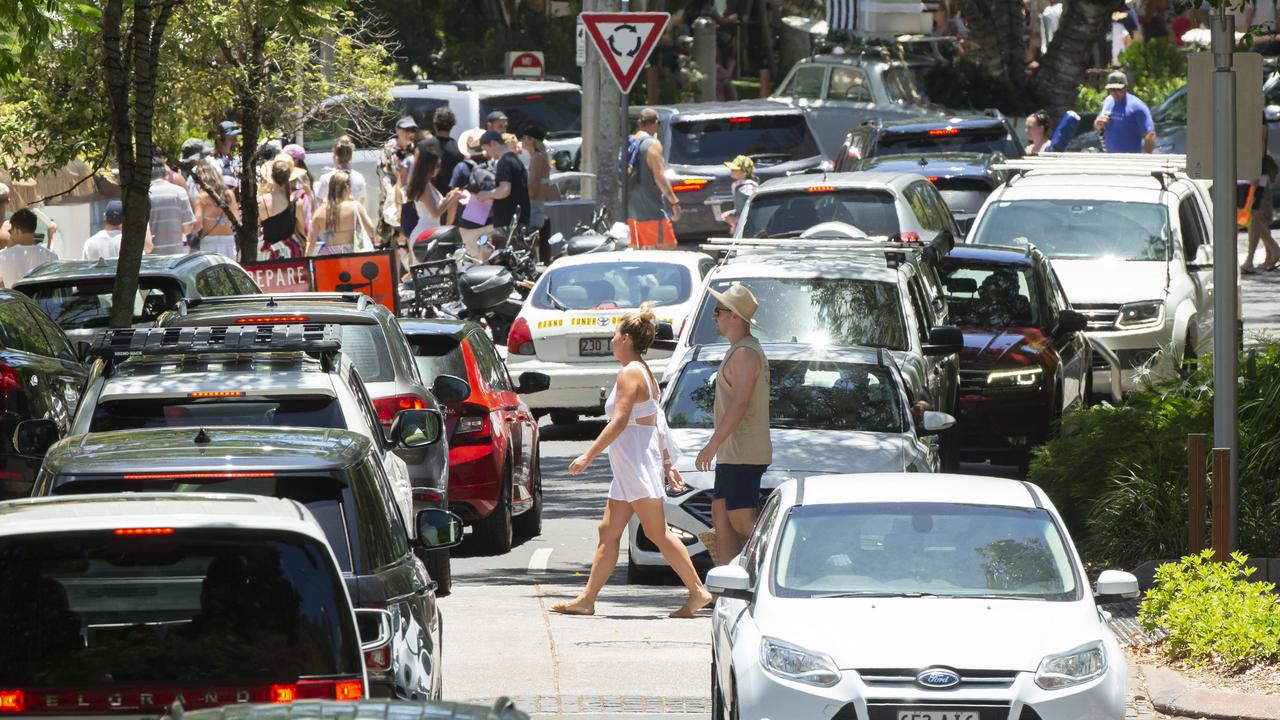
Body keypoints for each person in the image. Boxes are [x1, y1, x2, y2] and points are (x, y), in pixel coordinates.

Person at [556, 305, 714, 619]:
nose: (612, 340)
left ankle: (697, 591)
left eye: (615, 335)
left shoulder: (630, 372)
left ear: (626, 338)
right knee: (608, 530)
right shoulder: (641, 370)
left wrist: (589, 455)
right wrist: (667, 462)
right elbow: (658, 423)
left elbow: (619, 421)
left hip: (636, 464)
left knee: (658, 533)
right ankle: (587, 598)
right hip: (632, 464)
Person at [694, 283, 771, 565]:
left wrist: (712, 444)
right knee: (720, 511)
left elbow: (740, 403)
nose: (714, 317)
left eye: (718, 311)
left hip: (743, 452)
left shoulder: (745, 353)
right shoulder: (739, 350)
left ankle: (784, 562)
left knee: (741, 518)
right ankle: (725, 589)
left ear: (735, 317)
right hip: (734, 451)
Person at [627, 109, 681, 248]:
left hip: (633, 209)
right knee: (668, 248)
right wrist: (674, 202)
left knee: (640, 252)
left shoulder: (631, 141)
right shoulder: (653, 144)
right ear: (656, 123)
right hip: (652, 208)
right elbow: (659, 177)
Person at [307, 171, 376, 256]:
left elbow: (311, 243)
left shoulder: (319, 212)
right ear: (347, 188)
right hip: (353, 256)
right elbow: (370, 231)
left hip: (329, 258)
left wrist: (307, 260)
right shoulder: (355, 207)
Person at [407, 142, 461, 248]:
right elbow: (435, 213)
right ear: (428, 166)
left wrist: (450, 197)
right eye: (436, 166)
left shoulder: (427, 184)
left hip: (430, 232)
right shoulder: (425, 186)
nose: (438, 169)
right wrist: (451, 198)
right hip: (424, 234)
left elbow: (436, 208)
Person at [476, 130, 530, 232]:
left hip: (509, 223)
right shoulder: (514, 159)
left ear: (493, 143)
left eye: (486, 149)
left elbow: (504, 190)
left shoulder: (504, 162)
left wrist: (486, 194)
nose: (486, 154)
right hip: (518, 220)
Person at [1094, 71, 1156, 154]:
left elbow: (1150, 134)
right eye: (1112, 89)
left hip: (1131, 160)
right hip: (1110, 158)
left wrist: (1146, 160)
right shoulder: (1107, 102)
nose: (1115, 93)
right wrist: (1097, 124)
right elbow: (1098, 129)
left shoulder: (1137, 106)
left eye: (1118, 89)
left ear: (1126, 87)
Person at [259, 157, 307, 259]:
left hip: (269, 255)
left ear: (271, 177)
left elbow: (256, 231)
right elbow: (303, 230)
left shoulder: (260, 201)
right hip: (292, 252)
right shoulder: (296, 202)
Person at [192, 160, 240, 259]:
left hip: (209, 242)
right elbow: (236, 219)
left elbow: (198, 223)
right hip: (228, 241)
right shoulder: (229, 194)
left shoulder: (201, 198)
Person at [149, 158, 197, 254]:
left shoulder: (144, 194)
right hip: (176, 256)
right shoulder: (179, 192)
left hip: (151, 258)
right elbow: (188, 227)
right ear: (165, 173)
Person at [0, 209, 58, 288]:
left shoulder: (3, 256)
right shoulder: (51, 256)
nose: (10, 235)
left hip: (15, 300)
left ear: (18, 230)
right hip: (40, 300)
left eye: (11, 231)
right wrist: (51, 236)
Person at [520, 124, 552, 253]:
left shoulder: (537, 159)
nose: (521, 140)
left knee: (529, 247)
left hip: (534, 209)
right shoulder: (538, 158)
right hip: (537, 207)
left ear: (531, 140)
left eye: (524, 137)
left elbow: (533, 191)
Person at [315, 136, 367, 205]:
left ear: (335, 157)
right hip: (352, 215)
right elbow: (362, 201)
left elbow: (320, 200)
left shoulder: (326, 178)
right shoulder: (359, 177)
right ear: (350, 157)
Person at [719, 155, 757, 233]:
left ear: (744, 172)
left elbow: (753, 210)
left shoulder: (747, 188)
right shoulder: (739, 185)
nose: (731, 170)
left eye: (734, 169)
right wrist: (730, 214)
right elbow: (741, 208)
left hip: (748, 229)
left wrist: (737, 219)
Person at [432, 107, 465, 196]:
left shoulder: (424, 146)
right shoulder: (459, 149)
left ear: (434, 125)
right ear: (452, 126)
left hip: (427, 200)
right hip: (451, 199)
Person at [212, 120, 241, 191]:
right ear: (220, 139)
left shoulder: (229, 160)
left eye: (235, 138)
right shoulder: (213, 163)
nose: (235, 141)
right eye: (232, 138)